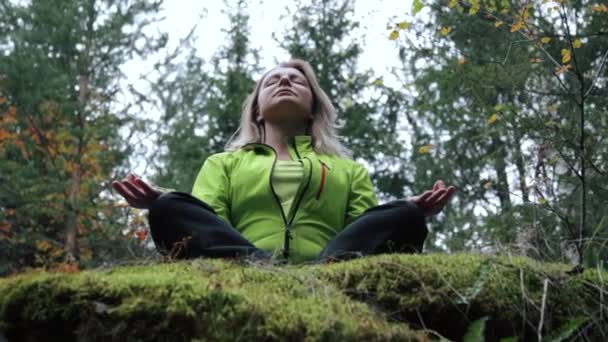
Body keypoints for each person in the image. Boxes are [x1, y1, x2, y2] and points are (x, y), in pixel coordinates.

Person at [111, 58, 457, 265]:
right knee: (170, 207)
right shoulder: (225, 164)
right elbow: (208, 221)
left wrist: (404, 209)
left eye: (296, 80)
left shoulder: (348, 170)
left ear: (313, 107)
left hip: (333, 270)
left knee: (405, 215)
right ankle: (259, 268)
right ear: (258, 109)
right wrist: (163, 200)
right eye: (273, 81)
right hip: (242, 266)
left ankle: (324, 276)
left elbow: (361, 230)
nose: (284, 82)